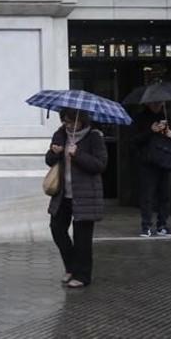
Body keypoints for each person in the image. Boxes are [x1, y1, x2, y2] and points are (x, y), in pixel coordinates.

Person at [46, 108, 108, 288]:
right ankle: (71, 267)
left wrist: (78, 155)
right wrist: (54, 152)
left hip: (85, 194)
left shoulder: (94, 136)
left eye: (71, 121)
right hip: (62, 194)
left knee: (82, 238)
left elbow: (100, 164)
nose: (67, 125)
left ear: (82, 120)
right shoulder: (60, 135)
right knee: (57, 228)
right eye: (65, 121)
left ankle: (83, 275)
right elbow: (49, 160)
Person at [131, 101, 171, 237]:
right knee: (147, 195)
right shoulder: (140, 118)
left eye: (159, 102)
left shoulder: (168, 116)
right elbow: (135, 140)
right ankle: (146, 225)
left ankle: (162, 224)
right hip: (148, 161)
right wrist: (151, 131)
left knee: (165, 195)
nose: (157, 105)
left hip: (165, 160)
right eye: (154, 103)